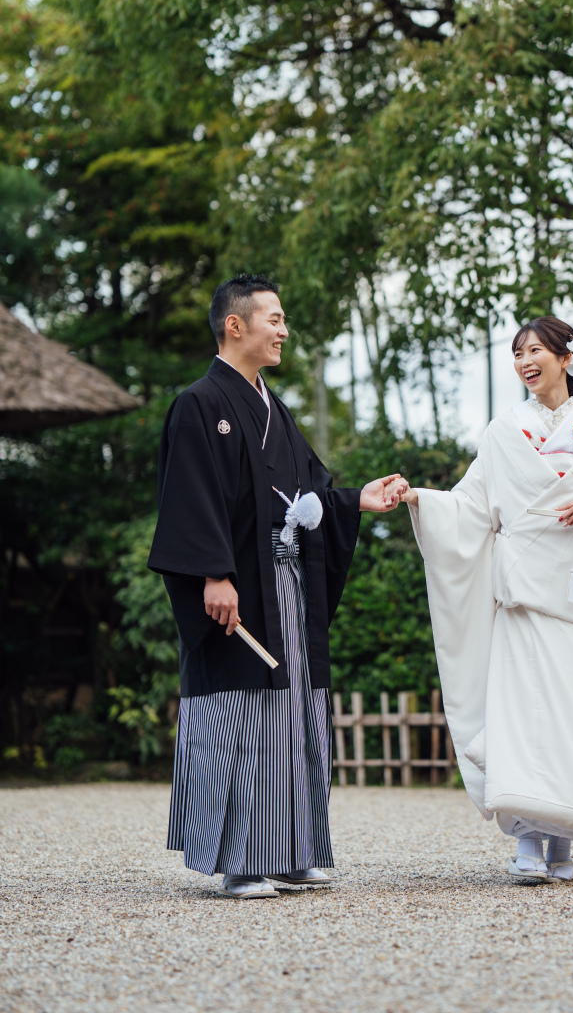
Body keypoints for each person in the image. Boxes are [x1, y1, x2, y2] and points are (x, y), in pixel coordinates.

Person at [148, 274, 403, 899]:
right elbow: (190, 497)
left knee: (293, 715)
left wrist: (352, 503)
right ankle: (239, 859)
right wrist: (213, 572)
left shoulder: (274, 409)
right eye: (275, 319)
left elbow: (308, 489)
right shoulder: (199, 404)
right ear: (236, 325)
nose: (284, 330)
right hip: (237, 584)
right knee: (241, 715)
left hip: (287, 585)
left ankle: (290, 851)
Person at [399, 316, 573, 883]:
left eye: (536, 349)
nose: (525, 361)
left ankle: (562, 839)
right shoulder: (502, 430)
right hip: (521, 598)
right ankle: (528, 842)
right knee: (523, 720)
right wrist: (423, 501)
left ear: (566, 358)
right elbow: (472, 506)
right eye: (517, 353)